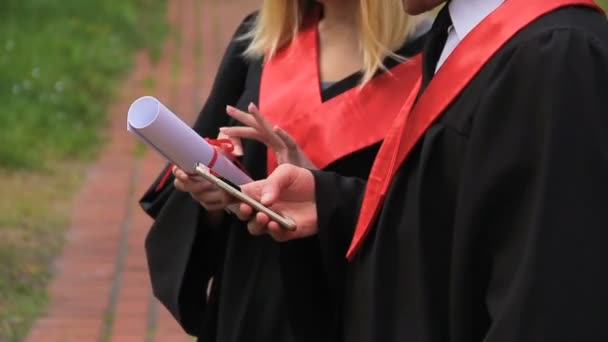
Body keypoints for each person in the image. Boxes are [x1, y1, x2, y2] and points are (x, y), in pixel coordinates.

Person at [236, 0, 608, 341]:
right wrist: (333, 203)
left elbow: (548, 304)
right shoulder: (460, 38)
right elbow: (459, 236)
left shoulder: (556, 57)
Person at [140, 0, 431, 341]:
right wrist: (215, 199)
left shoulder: (432, 63)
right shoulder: (260, 42)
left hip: (353, 313)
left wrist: (323, 192)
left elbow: (429, 218)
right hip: (249, 308)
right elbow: (211, 175)